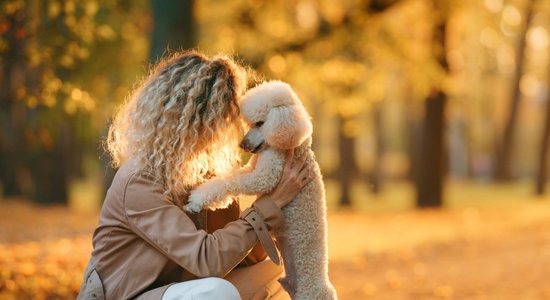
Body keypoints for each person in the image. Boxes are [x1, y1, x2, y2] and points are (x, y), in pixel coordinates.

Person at [77, 51, 313, 300]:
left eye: (225, 119)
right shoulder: (140, 180)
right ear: (180, 118)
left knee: (281, 269)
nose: (222, 131)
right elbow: (206, 259)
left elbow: (244, 257)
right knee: (215, 292)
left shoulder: (206, 173)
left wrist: (275, 197)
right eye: (215, 120)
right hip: (127, 296)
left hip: (179, 289)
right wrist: (269, 206)